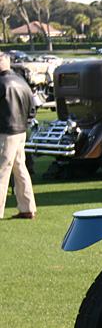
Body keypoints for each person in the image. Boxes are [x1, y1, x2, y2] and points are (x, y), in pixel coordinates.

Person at [0, 52, 37, 219]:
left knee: (2, 171)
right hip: (20, 131)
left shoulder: (1, 84)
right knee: (20, 169)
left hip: (5, 132)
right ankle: (27, 207)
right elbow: (32, 110)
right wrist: (24, 125)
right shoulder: (22, 82)